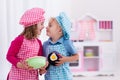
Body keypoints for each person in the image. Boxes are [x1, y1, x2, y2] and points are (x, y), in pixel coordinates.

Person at [6, 7, 46, 80]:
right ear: (33, 25)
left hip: (32, 77)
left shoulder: (38, 43)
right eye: (41, 24)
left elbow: (39, 60)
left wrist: (42, 69)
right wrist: (20, 65)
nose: (43, 26)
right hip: (17, 76)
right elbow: (9, 56)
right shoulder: (19, 40)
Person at [42, 12, 79, 80]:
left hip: (65, 77)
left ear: (60, 30)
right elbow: (44, 61)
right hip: (50, 77)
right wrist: (42, 69)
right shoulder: (45, 44)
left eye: (50, 25)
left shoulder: (66, 42)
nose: (46, 27)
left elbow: (76, 56)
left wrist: (65, 59)